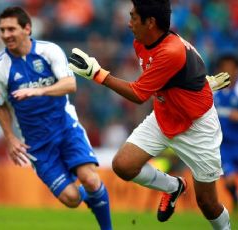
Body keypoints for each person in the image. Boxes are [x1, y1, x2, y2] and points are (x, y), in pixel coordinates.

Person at [67, 0, 231, 229]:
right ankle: (174, 187)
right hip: (164, 115)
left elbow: (138, 94)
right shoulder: (141, 42)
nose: (129, 23)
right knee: (123, 165)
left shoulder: (171, 50)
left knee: (208, 203)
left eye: (134, 17)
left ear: (150, 22)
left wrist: (98, 74)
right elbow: (167, 78)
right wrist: (200, 84)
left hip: (197, 127)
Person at [0, 6, 112, 229]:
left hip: (65, 128)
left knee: (91, 179)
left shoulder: (50, 51)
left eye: (11, 29)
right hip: (37, 144)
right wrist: (10, 138)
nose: (6, 35)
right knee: (72, 199)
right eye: (2, 30)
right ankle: (94, 199)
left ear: (27, 28)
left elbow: (70, 84)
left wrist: (38, 91)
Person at [213, 54, 238, 211]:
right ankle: (235, 201)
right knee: (228, 180)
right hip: (223, 147)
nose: (228, 71)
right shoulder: (213, 94)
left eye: (231, 68)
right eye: (225, 68)